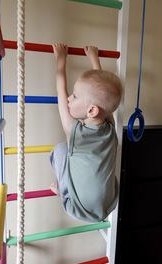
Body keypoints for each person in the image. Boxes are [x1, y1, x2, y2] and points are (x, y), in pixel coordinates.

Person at [50, 43, 122, 223]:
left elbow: (60, 90)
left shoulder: (74, 131)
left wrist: (61, 59)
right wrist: (94, 58)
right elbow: (103, 93)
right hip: (108, 203)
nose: (69, 98)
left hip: (78, 207)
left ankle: (62, 191)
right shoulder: (110, 125)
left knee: (60, 150)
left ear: (91, 111)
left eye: (74, 96)